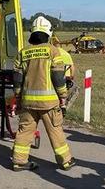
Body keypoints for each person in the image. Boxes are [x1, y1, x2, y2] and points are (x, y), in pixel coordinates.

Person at [12, 16, 75, 171]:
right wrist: (63, 97)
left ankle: (19, 161)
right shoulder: (54, 52)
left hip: (27, 102)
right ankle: (65, 161)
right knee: (55, 130)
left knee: (25, 131)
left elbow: (17, 78)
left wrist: (18, 96)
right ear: (48, 33)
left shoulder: (23, 53)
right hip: (49, 103)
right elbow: (58, 77)